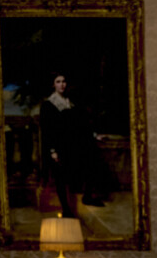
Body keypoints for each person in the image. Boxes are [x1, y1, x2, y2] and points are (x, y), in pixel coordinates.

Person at [39, 72, 110, 215]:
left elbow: (80, 125)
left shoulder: (71, 103)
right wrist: (52, 151)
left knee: (92, 163)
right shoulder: (48, 105)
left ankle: (87, 197)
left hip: (73, 144)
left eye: (64, 81)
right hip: (57, 146)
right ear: (53, 85)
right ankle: (66, 209)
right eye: (58, 81)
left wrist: (95, 136)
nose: (62, 84)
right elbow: (46, 131)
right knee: (60, 177)